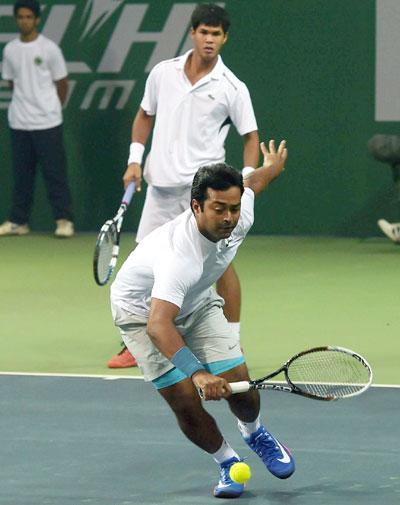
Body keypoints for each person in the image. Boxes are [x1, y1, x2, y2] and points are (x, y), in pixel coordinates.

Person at [110, 139, 295, 498]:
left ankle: (254, 431)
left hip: (196, 302)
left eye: (234, 208)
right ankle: (228, 463)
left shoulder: (240, 214)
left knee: (240, 381)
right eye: (218, 209)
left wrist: (272, 166)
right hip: (140, 312)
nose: (228, 217)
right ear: (196, 206)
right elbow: (158, 324)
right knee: (183, 398)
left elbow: (254, 181)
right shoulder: (179, 255)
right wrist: (197, 372)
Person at [108, 3, 259, 368]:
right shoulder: (163, 73)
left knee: (220, 266)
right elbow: (145, 115)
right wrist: (134, 159)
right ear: (193, 33)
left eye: (217, 34)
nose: (209, 40)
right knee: (145, 262)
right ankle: (138, 341)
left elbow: (251, 137)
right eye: (204, 32)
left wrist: (246, 178)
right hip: (160, 187)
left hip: (202, 194)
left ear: (224, 38)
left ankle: (229, 341)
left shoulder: (232, 87)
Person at [0, 0, 74, 238]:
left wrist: (50, 109)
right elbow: (12, 82)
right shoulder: (10, 50)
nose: (24, 21)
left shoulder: (50, 49)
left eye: (29, 17)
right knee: (22, 175)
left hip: (47, 123)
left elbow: (62, 83)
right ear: (16, 19)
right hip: (19, 122)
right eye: (20, 17)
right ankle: (18, 222)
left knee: (55, 174)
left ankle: (64, 221)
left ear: (37, 20)